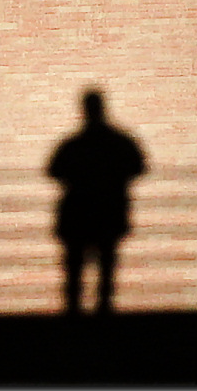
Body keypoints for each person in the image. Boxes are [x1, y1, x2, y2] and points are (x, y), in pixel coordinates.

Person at [48, 90, 145, 315]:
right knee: (106, 271)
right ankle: (102, 316)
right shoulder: (119, 143)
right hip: (108, 212)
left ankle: (74, 317)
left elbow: (54, 170)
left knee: (75, 274)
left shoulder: (73, 145)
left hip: (78, 215)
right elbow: (138, 166)